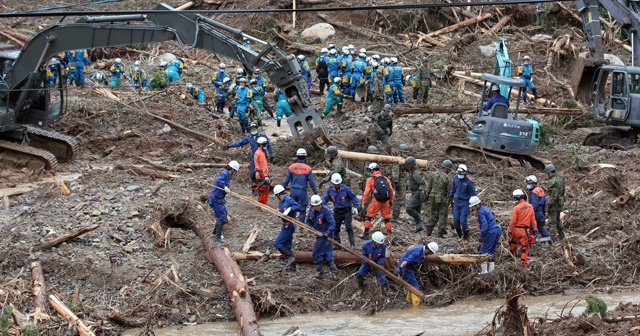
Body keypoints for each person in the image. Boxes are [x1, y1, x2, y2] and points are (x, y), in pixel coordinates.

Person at [322, 173, 359, 249]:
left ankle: (352, 244)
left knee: (349, 227)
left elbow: (354, 197)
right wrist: (321, 206)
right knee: (335, 227)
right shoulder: (330, 190)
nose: (337, 185)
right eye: (335, 184)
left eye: (338, 183)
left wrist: (355, 207)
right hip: (337, 211)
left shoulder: (346, 189)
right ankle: (337, 244)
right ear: (332, 183)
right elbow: (325, 199)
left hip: (346, 210)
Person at [307, 195, 339, 280]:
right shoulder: (311, 210)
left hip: (326, 235)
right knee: (327, 254)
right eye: (316, 206)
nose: (318, 207)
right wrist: (309, 226)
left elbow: (332, 223)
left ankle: (319, 272)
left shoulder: (326, 211)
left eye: (319, 205)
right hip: (318, 234)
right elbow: (309, 220)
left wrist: (328, 233)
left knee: (316, 253)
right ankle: (335, 273)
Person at [207, 161, 240, 243]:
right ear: (232, 169)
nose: (235, 173)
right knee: (222, 216)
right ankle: (217, 237)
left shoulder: (227, 176)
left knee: (223, 214)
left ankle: (215, 231)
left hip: (218, 199)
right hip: (215, 199)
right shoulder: (225, 173)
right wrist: (224, 187)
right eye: (235, 171)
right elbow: (219, 180)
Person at [360, 163, 395, 238]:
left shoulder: (370, 180)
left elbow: (366, 192)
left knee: (368, 217)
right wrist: (391, 201)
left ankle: (366, 233)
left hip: (376, 202)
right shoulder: (386, 179)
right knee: (387, 219)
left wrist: (363, 202)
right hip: (385, 202)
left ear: (372, 170)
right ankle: (389, 234)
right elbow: (391, 191)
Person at [283, 148, 318, 223]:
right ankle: (300, 228)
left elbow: (286, 180)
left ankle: (291, 225)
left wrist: (283, 189)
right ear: (305, 157)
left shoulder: (291, 167)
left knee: (292, 208)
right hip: (302, 191)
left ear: (297, 157)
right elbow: (311, 181)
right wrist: (315, 191)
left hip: (293, 190)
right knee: (302, 210)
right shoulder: (307, 168)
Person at [273, 185, 304, 271]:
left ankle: (290, 257)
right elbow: (282, 212)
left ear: (278, 194)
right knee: (287, 246)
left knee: (277, 243)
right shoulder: (281, 202)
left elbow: (300, 207)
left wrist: (291, 208)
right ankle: (292, 267)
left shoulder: (288, 200)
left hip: (289, 225)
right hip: (284, 225)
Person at [469, 196, 501, 274]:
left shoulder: (480, 212)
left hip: (490, 232)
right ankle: (491, 272)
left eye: (472, 207)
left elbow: (484, 225)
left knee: (483, 252)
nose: (472, 209)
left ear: (476, 205)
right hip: (497, 230)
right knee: (491, 252)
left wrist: (482, 236)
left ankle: (484, 272)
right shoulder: (485, 208)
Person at [509, 189, 538, 268]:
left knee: (513, 242)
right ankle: (524, 265)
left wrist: (510, 230)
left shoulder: (516, 208)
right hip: (526, 231)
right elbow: (533, 219)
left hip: (516, 230)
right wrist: (535, 229)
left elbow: (513, 221)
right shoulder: (530, 206)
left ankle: (512, 258)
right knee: (524, 248)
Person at [425, 160, 453, 237]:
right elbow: (449, 191)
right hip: (442, 198)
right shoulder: (447, 177)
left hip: (432, 197)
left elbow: (429, 187)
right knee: (443, 215)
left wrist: (427, 196)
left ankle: (428, 230)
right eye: (449, 169)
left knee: (433, 214)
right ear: (446, 169)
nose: (450, 171)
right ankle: (440, 233)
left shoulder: (433, 174)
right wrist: (450, 200)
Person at [448, 164, 476, 240]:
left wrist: (473, 205)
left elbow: (473, 194)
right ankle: (459, 235)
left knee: (463, 220)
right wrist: (449, 198)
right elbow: (453, 189)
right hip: (456, 202)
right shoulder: (455, 178)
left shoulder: (469, 182)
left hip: (465, 202)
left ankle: (466, 236)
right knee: (456, 220)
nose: (459, 175)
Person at [356, 231, 388, 295]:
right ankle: (361, 288)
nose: (379, 245)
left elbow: (382, 256)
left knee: (382, 277)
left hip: (376, 263)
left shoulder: (383, 246)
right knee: (360, 273)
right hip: (367, 262)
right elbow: (363, 256)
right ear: (374, 241)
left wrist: (379, 263)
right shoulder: (366, 245)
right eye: (378, 243)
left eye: (380, 244)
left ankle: (384, 290)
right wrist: (365, 261)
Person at [404, 157, 427, 233]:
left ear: (413, 165)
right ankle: (419, 227)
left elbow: (422, 182)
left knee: (409, 208)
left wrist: (422, 192)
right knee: (417, 210)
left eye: (408, 166)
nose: (407, 167)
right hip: (415, 192)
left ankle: (420, 220)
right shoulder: (412, 171)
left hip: (418, 193)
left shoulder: (416, 172)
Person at [544, 164, 566, 240]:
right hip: (559, 204)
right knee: (558, 220)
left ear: (550, 172)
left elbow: (553, 196)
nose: (547, 175)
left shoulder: (552, 182)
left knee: (552, 222)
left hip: (553, 205)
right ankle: (562, 236)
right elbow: (563, 192)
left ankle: (552, 239)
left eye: (547, 173)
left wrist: (547, 205)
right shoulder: (560, 180)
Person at [391, 144, 410, 220]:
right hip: (399, 181)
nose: (405, 154)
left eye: (406, 153)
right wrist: (396, 182)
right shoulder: (398, 160)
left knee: (401, 199)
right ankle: (395, 217)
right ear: (401, 152)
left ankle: (397, 216)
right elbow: (395, 171)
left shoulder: (404, 160)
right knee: (398, 200)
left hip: (403, 181)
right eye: (404, 153)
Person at [253, 137, 271, 204]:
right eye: (265, 144)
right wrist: (266, 176)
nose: (266, 146)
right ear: (261, 145)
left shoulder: (256, 152)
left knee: (260, 190)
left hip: (257, 173)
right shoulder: (261, 154)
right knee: (264, 189)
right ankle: (263, 204)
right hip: (262, 174)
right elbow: (264, 166)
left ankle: (260, 202)